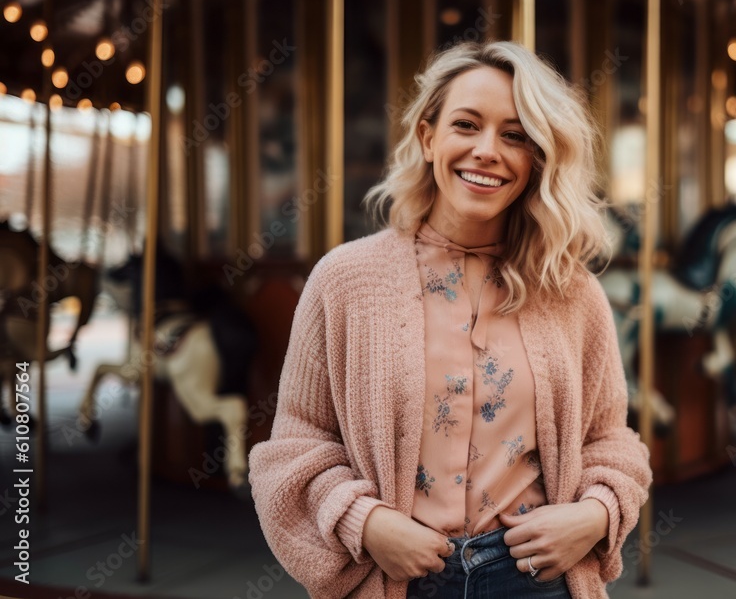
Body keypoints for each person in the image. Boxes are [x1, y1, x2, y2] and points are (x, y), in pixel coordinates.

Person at [248, 40, 652, 599]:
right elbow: (294, 445)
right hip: (399, 578)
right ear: (428, 136)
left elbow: (612, 440)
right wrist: (364, 522)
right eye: (467, 125)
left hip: (536, 579)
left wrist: (595, 514)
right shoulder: (345, 280)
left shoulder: (572, 292)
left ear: (537, 157)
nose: (487, 150)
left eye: (515, 135)